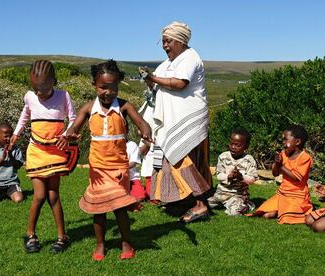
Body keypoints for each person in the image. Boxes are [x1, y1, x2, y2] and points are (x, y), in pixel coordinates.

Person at [66, 59, 152, 261]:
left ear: (118, 85)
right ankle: (100, 244)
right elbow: (74, 126)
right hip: (98, 168)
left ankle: (126, 242)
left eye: (113, 87)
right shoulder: (88, 108)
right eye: (103, 87)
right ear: (95, 86)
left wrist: (146, 131)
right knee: (99, 208)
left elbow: (142, 123)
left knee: (120, 208)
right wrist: (70, 133)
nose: (108, 92)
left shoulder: (124, 107)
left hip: (118, 167)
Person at [139, 21, 212, 223]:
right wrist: (149, 79)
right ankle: (182, 199)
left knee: (181, 160)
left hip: (188, 117)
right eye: (162, 42)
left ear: (180, 40)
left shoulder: (190, 58)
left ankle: (201, 204)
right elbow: (158, 84)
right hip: (173, 119)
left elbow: (180, 83)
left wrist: (153, 77)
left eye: (168, 41)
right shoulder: (167, 64)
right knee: (172, 158)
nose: (164, 46)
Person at [10, 60, 79, 254]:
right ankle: (30, 234)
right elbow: (25, 114)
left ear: (54, 81)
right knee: (39, 195)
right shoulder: (30, 96)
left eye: (43, 88)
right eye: (35, 88)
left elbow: (73, 119)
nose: (39, 92)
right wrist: (16, 133)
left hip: (56, 151)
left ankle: (62, 236)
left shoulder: (63, 96)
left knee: (53, 195)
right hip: (37, 150)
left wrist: (67, 135)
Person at [249, 124, 313, 224]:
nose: (283, 143)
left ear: (297, 142)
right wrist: (277, 164)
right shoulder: (283, 154)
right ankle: (282, 209)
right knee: (265, 214)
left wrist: (281, 166)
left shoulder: (305, 158)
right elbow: (275, 174)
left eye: (286, 139)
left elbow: (296, 177)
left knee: (287, 219)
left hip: (296, 195)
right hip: (282, 193)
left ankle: (290, 210)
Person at [207, 129, 258, 215]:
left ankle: (247, 205)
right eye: (231, 143)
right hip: (220, 193)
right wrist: (229, 176)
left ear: (246, 146)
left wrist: (241, 177)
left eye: (237, 145)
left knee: (235, 212)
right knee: (203, 204)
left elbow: (253, 179)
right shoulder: (223, 156)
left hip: (238, 194)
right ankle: (225, 203)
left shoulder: (249, 160)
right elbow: (219, 175)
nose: (233, 147)